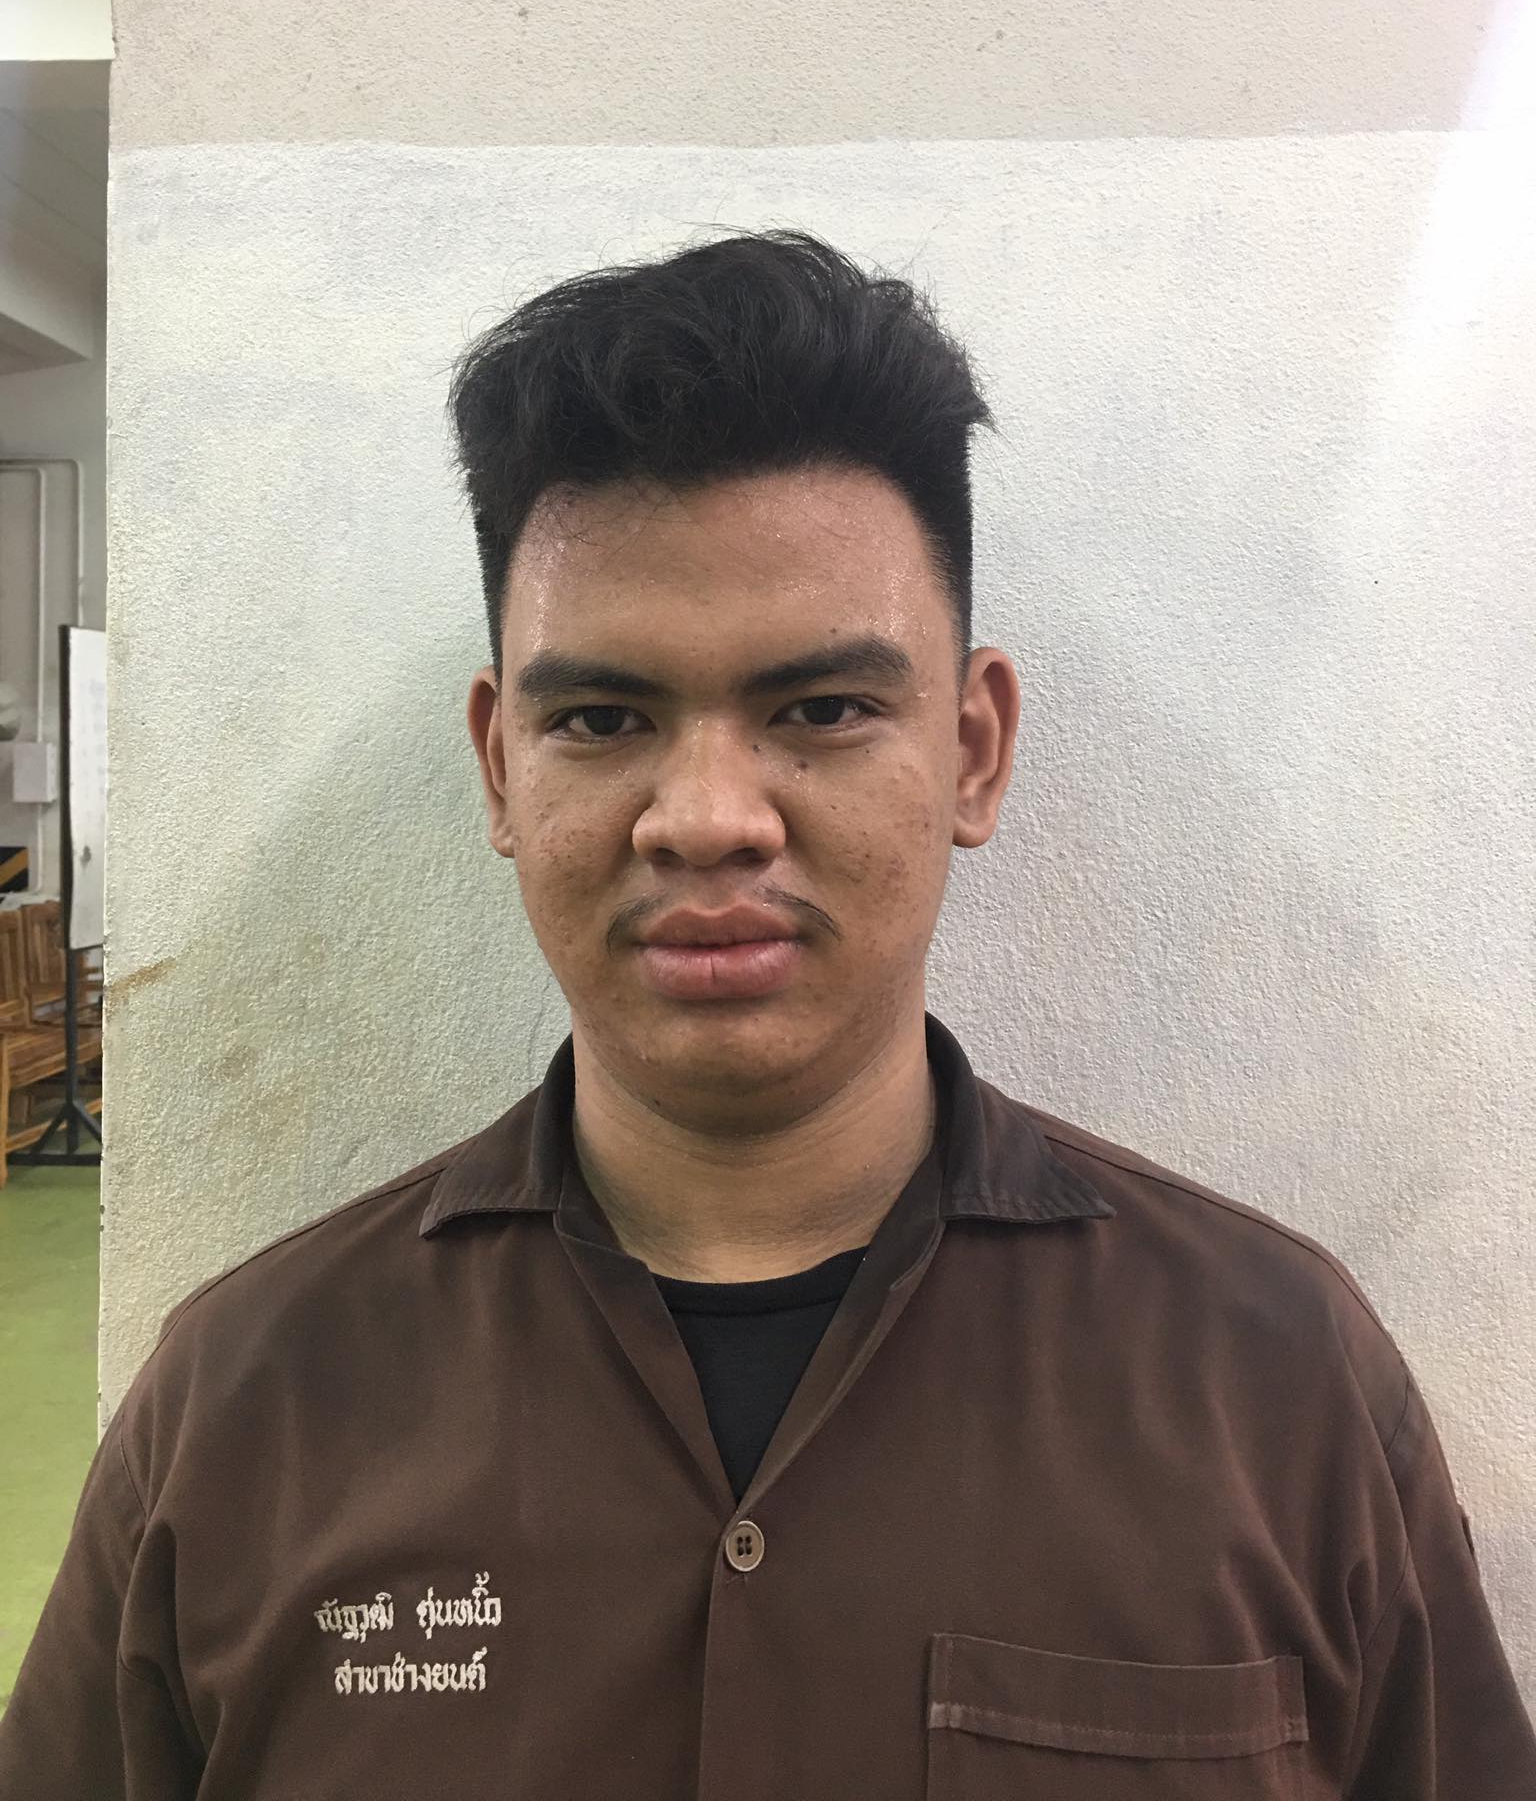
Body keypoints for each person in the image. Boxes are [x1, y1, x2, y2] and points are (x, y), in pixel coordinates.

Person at [2, 230, 1531, 1799]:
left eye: (822, 709)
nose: (709, 819)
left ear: (974, 751)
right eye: (604, 716)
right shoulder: (246, 1405)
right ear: (502, 768)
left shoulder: (1280, 1387)